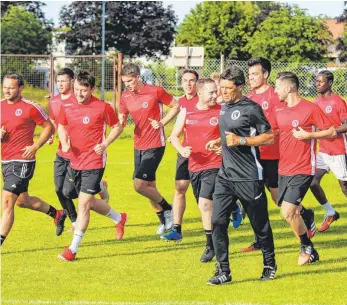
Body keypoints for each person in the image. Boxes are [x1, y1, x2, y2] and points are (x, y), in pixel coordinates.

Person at [206, 66, 277, 285]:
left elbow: (269, 137)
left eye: (228, 88)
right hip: (225, 176)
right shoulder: (223, 107)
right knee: (217, 222)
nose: (223, 92)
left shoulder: (251, 108)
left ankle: (269, 264)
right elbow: (230, 132)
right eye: (221, 88)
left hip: (249, 176)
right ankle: (223, 271)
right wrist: (219, 142)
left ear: (240, 87)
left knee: (260, 225)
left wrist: (242, 141)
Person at [244, 57, 316, 252]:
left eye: (255, 74)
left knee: (279, 200)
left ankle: (304, 214)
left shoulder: (276, 94)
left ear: (265, 75)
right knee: (254, 196)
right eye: (249, 74)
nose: (251, 78)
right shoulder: (249, 97)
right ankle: (259, 239)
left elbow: (283, 125)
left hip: (275, 155)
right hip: (254, 154)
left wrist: (265, 137)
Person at [57, 71, 127, 261]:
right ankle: (119, 218)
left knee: (84, 205)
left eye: (84, 90)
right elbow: (61, 126)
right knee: (70, 194)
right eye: (77, 89)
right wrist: (64, 143)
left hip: (94, 160)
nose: (79, 94)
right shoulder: (67, 105)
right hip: (74, 160)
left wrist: (105, 144)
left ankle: (72, 249)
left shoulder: (102, 107)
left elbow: (118, 126)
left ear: (92, 89)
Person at [273, 72, 336, 266]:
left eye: (277, 87)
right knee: (289, 212)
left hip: (303, 168)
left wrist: (309, 136)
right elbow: (272, 134)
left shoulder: (310, 108)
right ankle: (307, 227)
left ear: (288, 87)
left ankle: (305, 246)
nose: (275, 91)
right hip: (283, 169)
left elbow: (332, 132)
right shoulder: (279, 112)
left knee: (288, 212)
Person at [1, 74, 66, 246]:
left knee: (7, 201)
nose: (7, 90)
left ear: (20, 88)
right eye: (5, 86)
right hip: (6, 161)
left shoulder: (30, 107)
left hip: (23, 160)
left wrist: (35, 146)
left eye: (11, 87)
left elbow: (49, 127)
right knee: (23, 201)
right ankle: (57, 214)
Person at [162, 78, 222, 263]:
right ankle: (217, 235)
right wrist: (181, 149)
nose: (215, 95)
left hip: (214, 165)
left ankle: (210, 246)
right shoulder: (187, 111)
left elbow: (231, 135)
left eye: (216, 92)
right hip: (194, 166)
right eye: (211, 92)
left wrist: (222, 145)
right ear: (201, 93)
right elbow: (174, 136)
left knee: (205, 204)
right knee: (204, 206)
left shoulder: (222, 111)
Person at [119, 63, 180, 236]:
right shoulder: (125, 96)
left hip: (155, 144)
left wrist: (162, 123)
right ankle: (165, 220)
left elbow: (176, 106)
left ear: (138, 77)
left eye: (130, 81)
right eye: (125, 82)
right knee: (150, 186)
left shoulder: (155, 91)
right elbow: (122, 117)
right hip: (138, 145)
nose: (127, 85)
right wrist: (121, 122)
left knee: (139, 185)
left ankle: (168, 209)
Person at [48, 68, 110, 234]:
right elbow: (56, 123)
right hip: (63, 152)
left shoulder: (90, 103)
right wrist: (53, 136)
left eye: (64, 81)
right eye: (58, 81)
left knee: (77, 195)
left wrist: (104, 143)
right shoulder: (54, 101)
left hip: (82, 155)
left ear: (72, 81)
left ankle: (97, 188)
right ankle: (75, 220)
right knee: (59, 189)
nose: (60, 84)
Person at [161, 69, 199, 241]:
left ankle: (233, 207)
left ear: (197, 83)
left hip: (206, 153)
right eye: (185, 80)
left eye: (192, 80)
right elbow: (177, 127)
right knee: (180, 188)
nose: (189, 84)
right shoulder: (180, 103)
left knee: (205, 194)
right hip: (185, 150)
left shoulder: (204, 100)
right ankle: (176, 229)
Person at [310, 70, 347, 232]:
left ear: (330, 83)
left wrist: (334, 131)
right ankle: (330, 212)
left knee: (344, 187)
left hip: (338, 150)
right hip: (322, 151)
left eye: (321, 81)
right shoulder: (316, 101)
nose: (317, 84)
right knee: (312, 182)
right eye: (316, 81)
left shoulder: (338, 101)